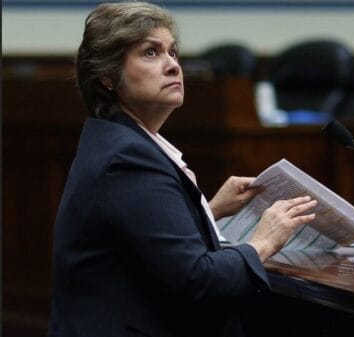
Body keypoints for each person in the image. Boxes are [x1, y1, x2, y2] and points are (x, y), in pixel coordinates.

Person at [47, 2, 317, 337]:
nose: (173, 65)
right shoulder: (128, 158)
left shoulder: (115, 140)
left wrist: (208, 210)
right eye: (151, 53)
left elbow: (138, 237)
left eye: (173, 53)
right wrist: (263, 241)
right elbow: (198, 280)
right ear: (107, 77)